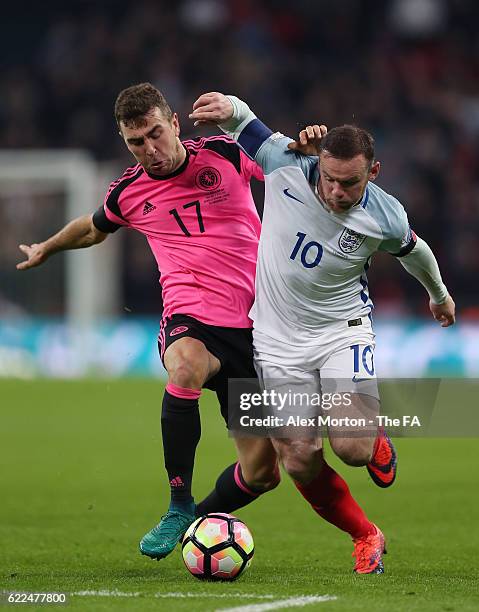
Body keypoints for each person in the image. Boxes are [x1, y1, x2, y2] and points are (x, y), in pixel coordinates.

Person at [189, 92, 456, 574]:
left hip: (341, 332)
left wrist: (437, 294)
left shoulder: (385, 214)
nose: (335, 192)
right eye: (330, 180)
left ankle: (371, 440)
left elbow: (416, 251)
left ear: (372, 173)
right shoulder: (286, 164)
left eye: (349, 183)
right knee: (297, 458)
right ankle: (366, 535)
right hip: (274, 340)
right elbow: (244, 121)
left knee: (350, 449)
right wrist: (225, 106)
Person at [16, 82, 281, 561]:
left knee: (263, 472)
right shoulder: (131, 191)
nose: (150, 150)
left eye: (155, 134)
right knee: (185, 369)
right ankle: (179, 504)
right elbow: (93, 227)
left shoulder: (224, 152)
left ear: (174, 123)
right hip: (192, 317)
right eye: (136, 142)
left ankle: (197, 518)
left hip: (259, 326)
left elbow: (284, 169)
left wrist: (303, 146)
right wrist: (47, 247)